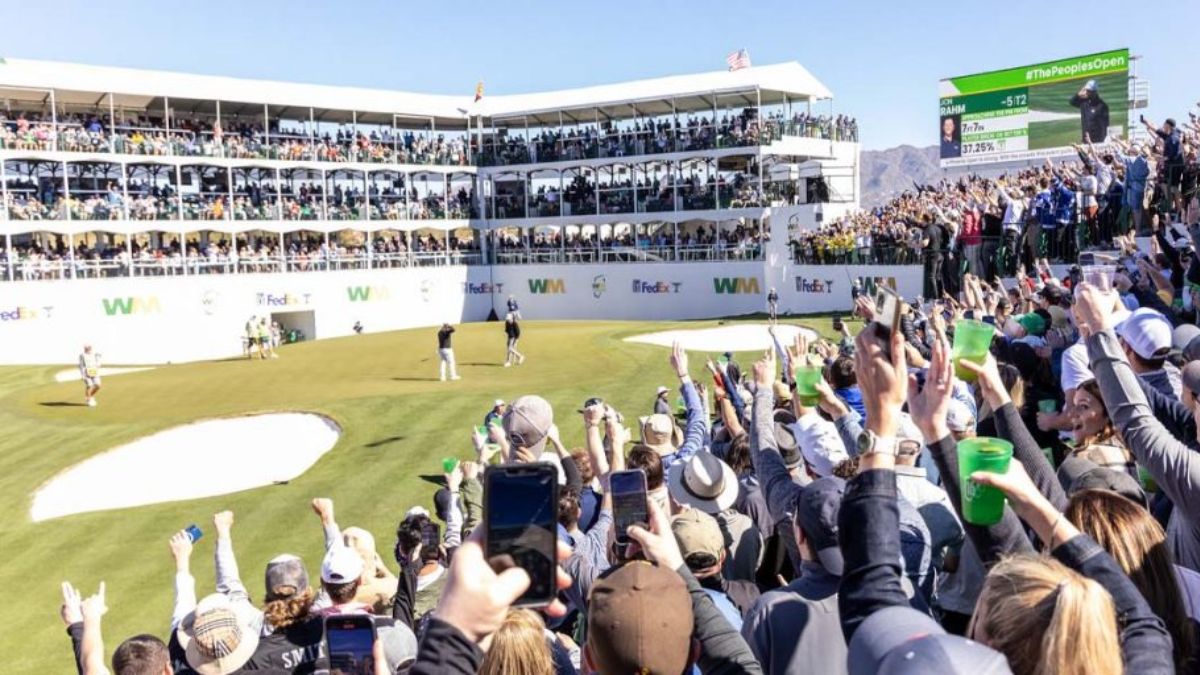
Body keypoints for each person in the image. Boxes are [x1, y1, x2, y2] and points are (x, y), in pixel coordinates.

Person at [1070, 80, 1110, 144]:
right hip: (1086, 140)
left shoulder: (1102, 106)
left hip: (1098, 140)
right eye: (1087, 90)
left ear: (1094, 92)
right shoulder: (1084, 103)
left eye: (1089, 91)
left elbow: (1106, 124)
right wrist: (1078, 94)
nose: (1087, 92)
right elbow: (1072, 102)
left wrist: (1105, 137)